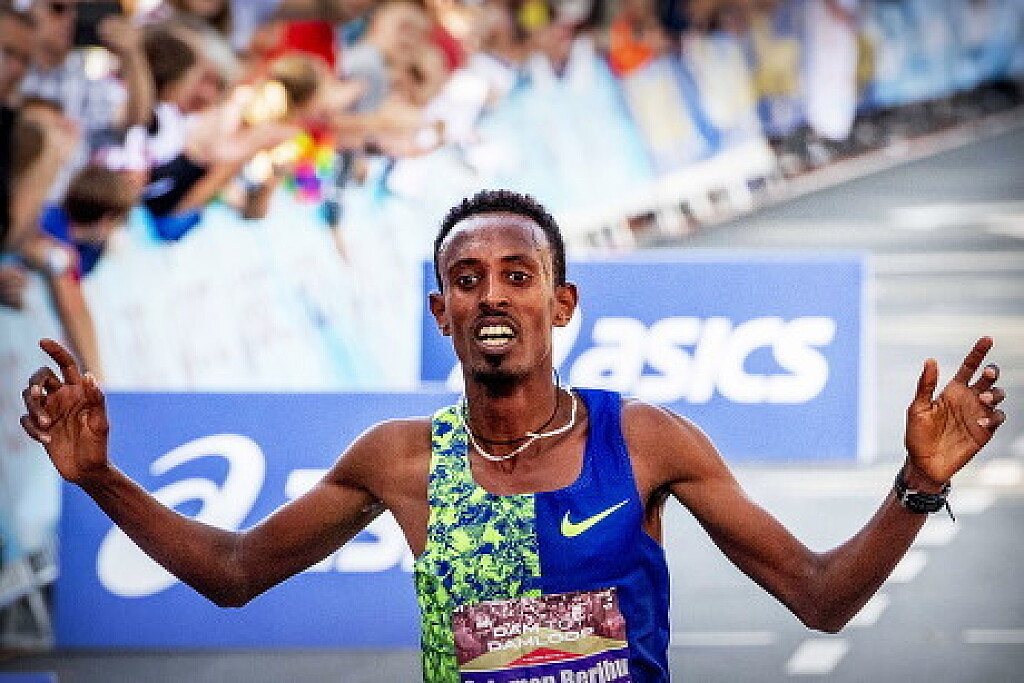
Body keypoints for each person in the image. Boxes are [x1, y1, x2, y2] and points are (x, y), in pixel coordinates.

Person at [19, 189, 1007, 682]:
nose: (491, 293)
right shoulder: (399, 459)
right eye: (467, 278)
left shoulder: (647, 440)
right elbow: (235, 571)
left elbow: (821, 595)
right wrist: (99, 477)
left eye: (517, 274)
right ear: (440, 311)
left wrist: (915, 483)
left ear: (560, 302)